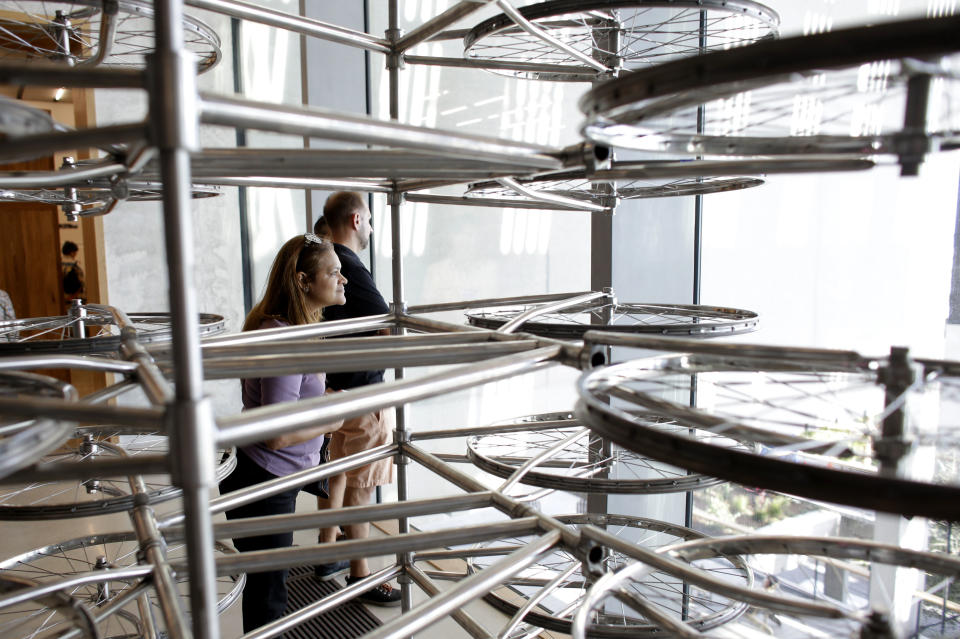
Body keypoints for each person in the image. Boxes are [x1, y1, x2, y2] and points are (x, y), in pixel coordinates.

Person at [219, 233, 348, 633]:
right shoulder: (285, 339)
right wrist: (332, 421)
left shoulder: (284, 326)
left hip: (265, 475)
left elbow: (285, 397)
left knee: (267, 589)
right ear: (303, 281)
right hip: (266, 482)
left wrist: (325, 396)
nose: (343, 280)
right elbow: (275, 433)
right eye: (334, 273)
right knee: (268, 598)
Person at [312, 192, 400, 606]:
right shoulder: (350, 265)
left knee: (341, 475)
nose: (370, 229)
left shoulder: (322, 262)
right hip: (364, 395)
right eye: (368, 221)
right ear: (355, 219)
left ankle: (328, 551)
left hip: (335, 391)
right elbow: (387, 327)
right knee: (362, 488)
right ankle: (361, 575)